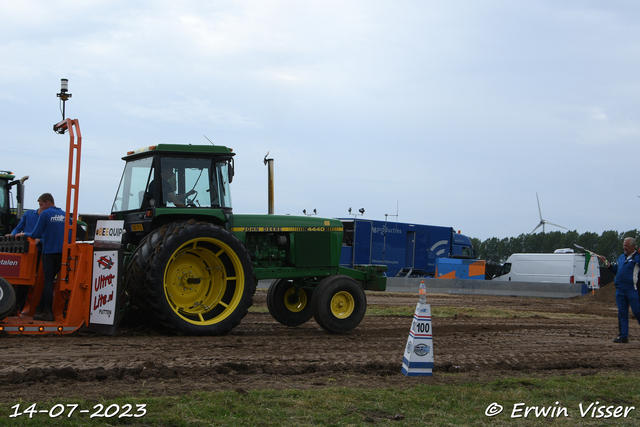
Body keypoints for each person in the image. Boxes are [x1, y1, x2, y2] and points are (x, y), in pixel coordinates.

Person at [16, 193, 65, 322]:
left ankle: (48, 312)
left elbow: (35, 233)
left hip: (48, 252)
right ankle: (40, 309)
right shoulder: (65, 215)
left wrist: (23, 234)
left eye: (41, 205)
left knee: (47, 282)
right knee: (55, 281)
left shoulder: (45, 214)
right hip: (63, 254)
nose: (41, 208)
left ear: (48, 202)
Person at [598, 237, 640, 343]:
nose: (624, 248)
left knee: (637, 311)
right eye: (624, 246)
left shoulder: (638, 258)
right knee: (622, 312)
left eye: (627, 246)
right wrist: (605, 261)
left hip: (632, 289)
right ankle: (623, 336)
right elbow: (614, 269)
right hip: (620, 289)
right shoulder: (621, 257)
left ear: (633, 246)